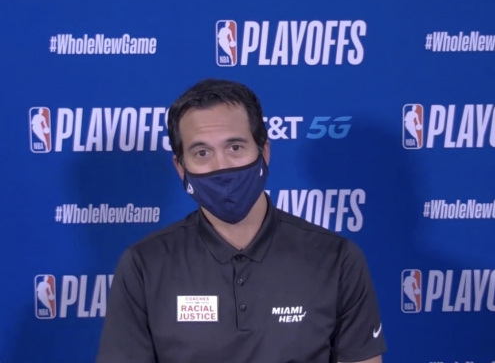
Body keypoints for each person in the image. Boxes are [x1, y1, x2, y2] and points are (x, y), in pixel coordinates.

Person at [96, 79, 386, 363]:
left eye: (234, 147)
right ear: (181, 168)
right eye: (202, 153)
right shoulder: (144, 264)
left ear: (264, 151)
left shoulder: (336, 258)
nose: (221, 166)